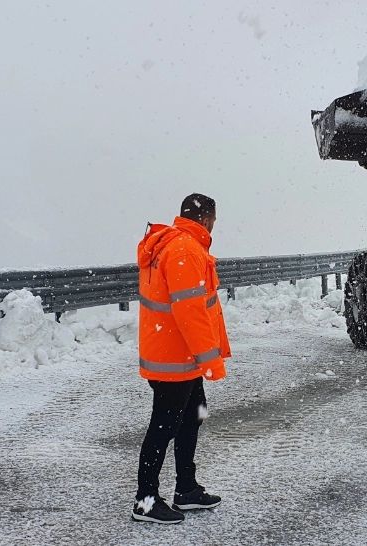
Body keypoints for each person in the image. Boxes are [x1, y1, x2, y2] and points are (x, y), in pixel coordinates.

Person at [131, 193, 231, 524]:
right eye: (214, 220)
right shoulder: (185, 249)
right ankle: (145, 500)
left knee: (193, 416)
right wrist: (212, 361)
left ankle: (186, 489)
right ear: (207, 219)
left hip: (175, 355)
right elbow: (190, 312)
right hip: (175, 359)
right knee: (163, 427)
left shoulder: (174, 244)